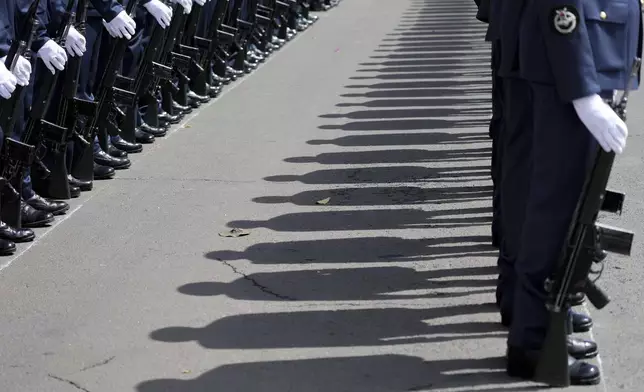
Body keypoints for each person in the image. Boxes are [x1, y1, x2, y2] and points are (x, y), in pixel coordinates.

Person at [506, 0, 641, 385]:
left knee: (573, 214)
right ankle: (532, 344)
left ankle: (551, 325)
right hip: (570, 69)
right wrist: (583, 92)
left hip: (594, 59)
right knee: (555, 214)